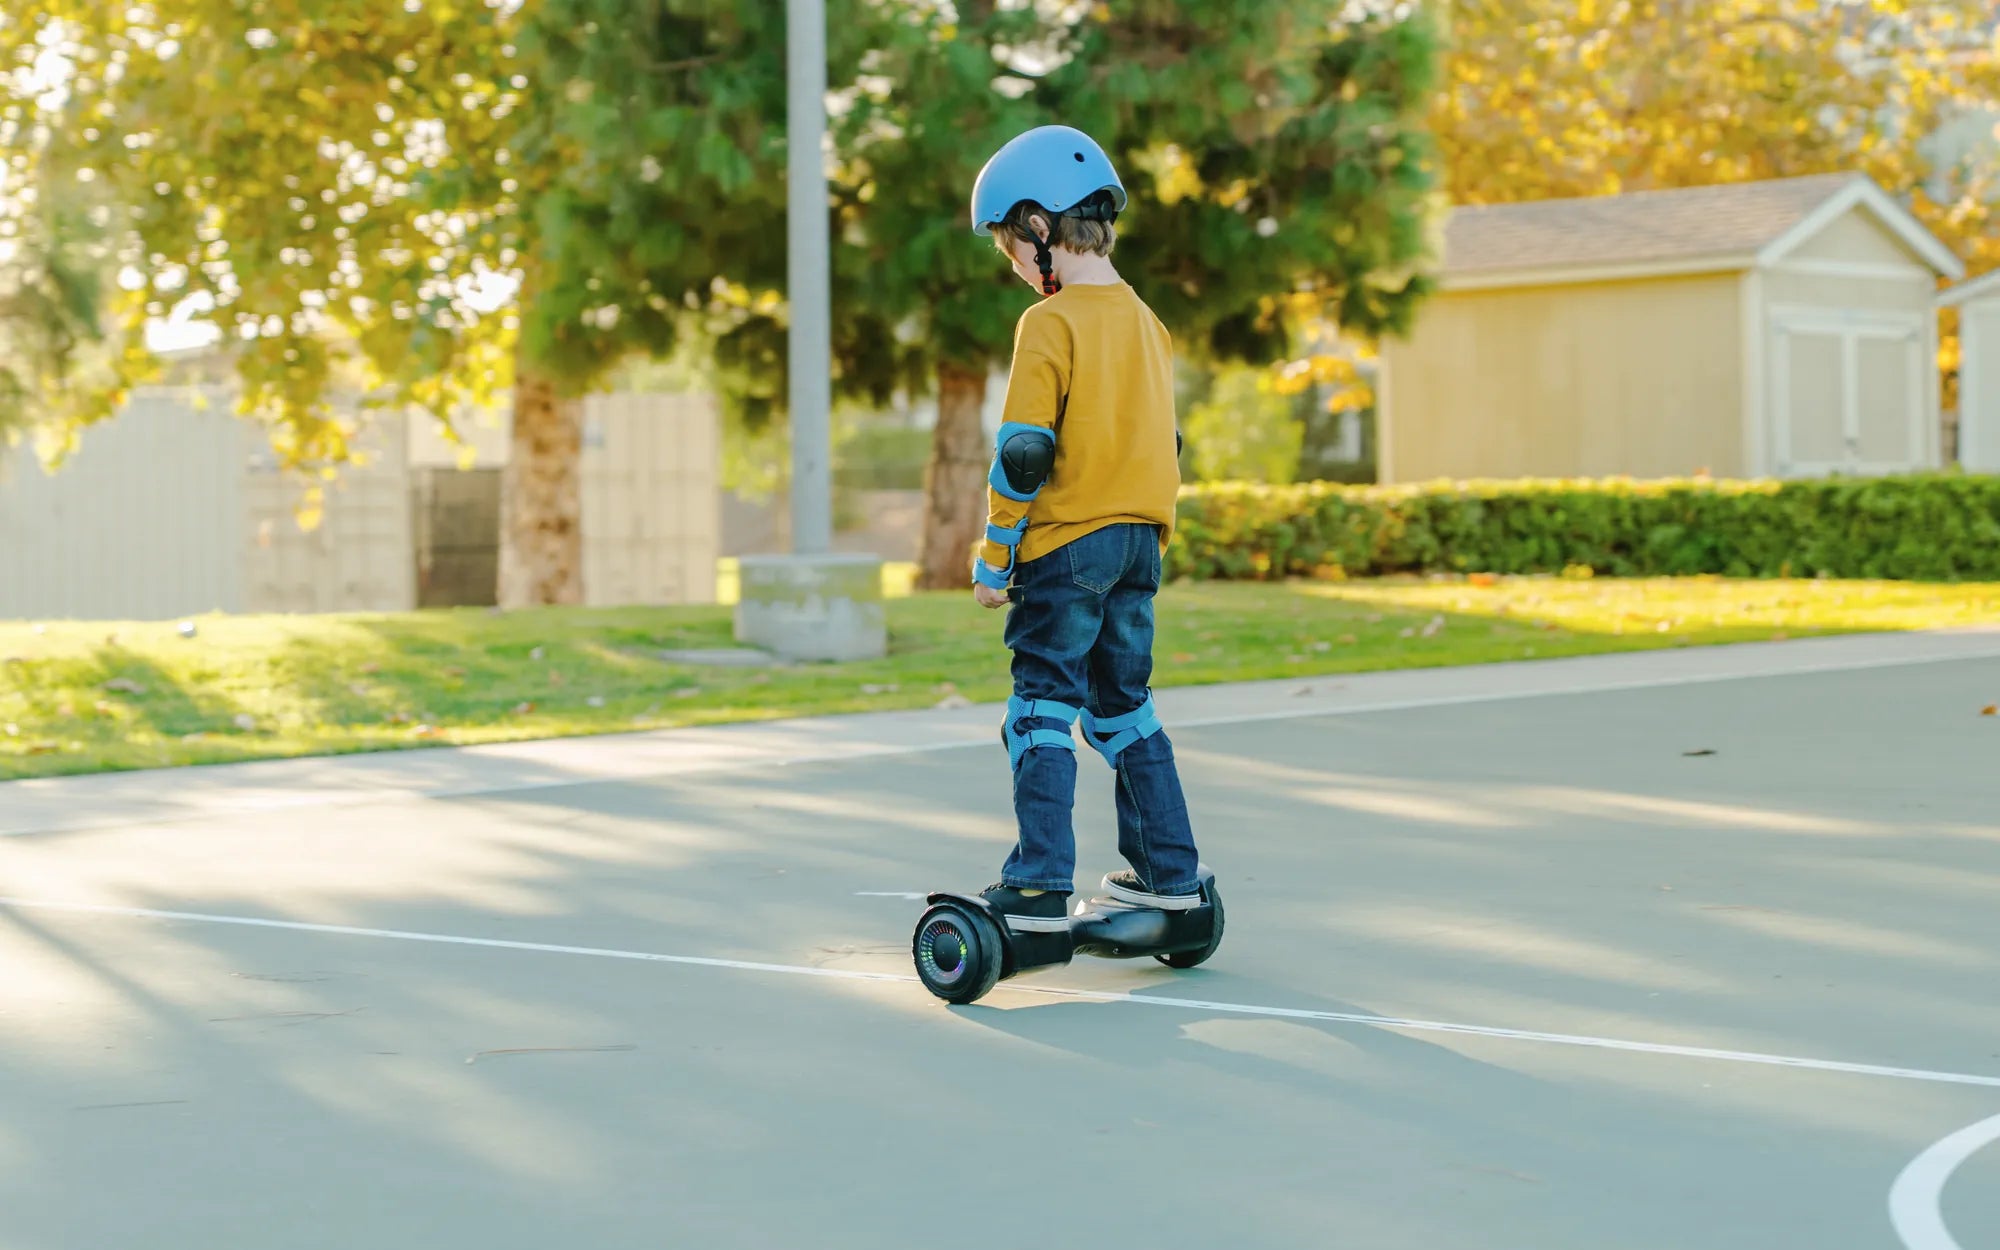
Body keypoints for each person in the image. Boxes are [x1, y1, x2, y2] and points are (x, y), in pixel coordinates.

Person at [963, 123, 1206, 935]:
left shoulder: (1051, 324)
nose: (1013, 268)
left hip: (1066, 546)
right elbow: (1163, 444)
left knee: (1037, 710)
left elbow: (1025, 453)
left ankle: (1036, 886)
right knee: (1122, 710)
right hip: (1140, 543)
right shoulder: (1146, 321)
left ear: (1038, 228)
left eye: (1008, 246)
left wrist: (996, 559)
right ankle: (1169, 877)